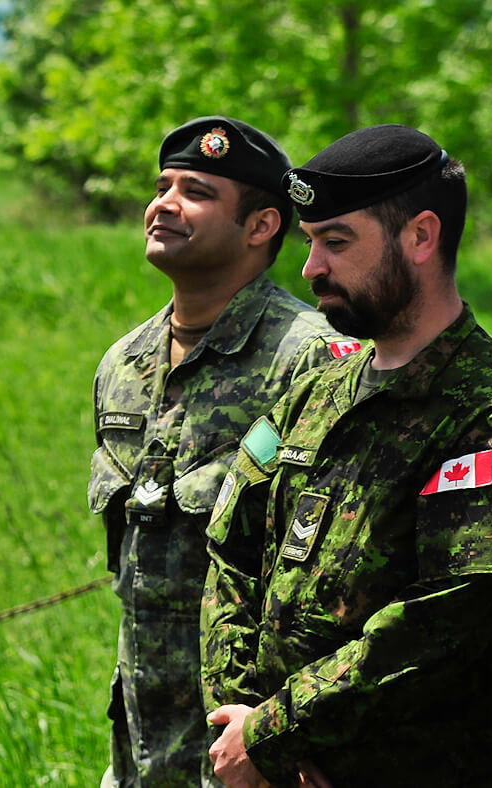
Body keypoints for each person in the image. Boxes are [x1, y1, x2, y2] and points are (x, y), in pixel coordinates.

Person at [201, 124, 492, 787]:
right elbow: (228, 548)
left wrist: (274, 735)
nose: (310, 268)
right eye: (309, 243)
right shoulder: (311, 393)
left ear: (420, 237)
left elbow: (446, 618)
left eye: (337, 242)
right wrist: (238, 723)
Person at [89, 116, 358, 788]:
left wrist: (296, 738)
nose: (163, 204)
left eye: (196, 192)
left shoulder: (315, 360)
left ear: (262, 226)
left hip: (257, 748)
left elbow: (341, 578)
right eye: (162, 186)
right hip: (146, 746)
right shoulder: (124, 362)